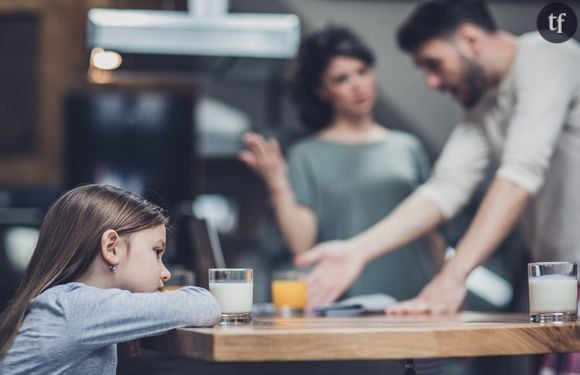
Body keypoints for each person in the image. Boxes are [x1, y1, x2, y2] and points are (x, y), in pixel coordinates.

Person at [295, 0, 580, 315]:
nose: (432, 83)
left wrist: (453, 277)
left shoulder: (547, 53)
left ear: (470, 40)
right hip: (559, 278)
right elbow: (446, 187)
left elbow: (521, 173)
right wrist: (357, 251)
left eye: (434, 64)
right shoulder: (483, 104)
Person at [240, 25, 444, 305]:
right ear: (322, 91)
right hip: (350, 301)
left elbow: (430, 226)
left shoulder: (407, 146)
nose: (358, 85)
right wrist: (276, 181)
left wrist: (449, 285)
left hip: (418, 296)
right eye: (341, 79)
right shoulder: (306, 154)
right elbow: (302, 245)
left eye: (363, 71)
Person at [0, 184, 221, 374]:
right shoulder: (77, 307)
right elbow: (204, 304)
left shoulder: (70, 305)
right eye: (156, 252)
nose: (165, 272)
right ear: (111, 248)